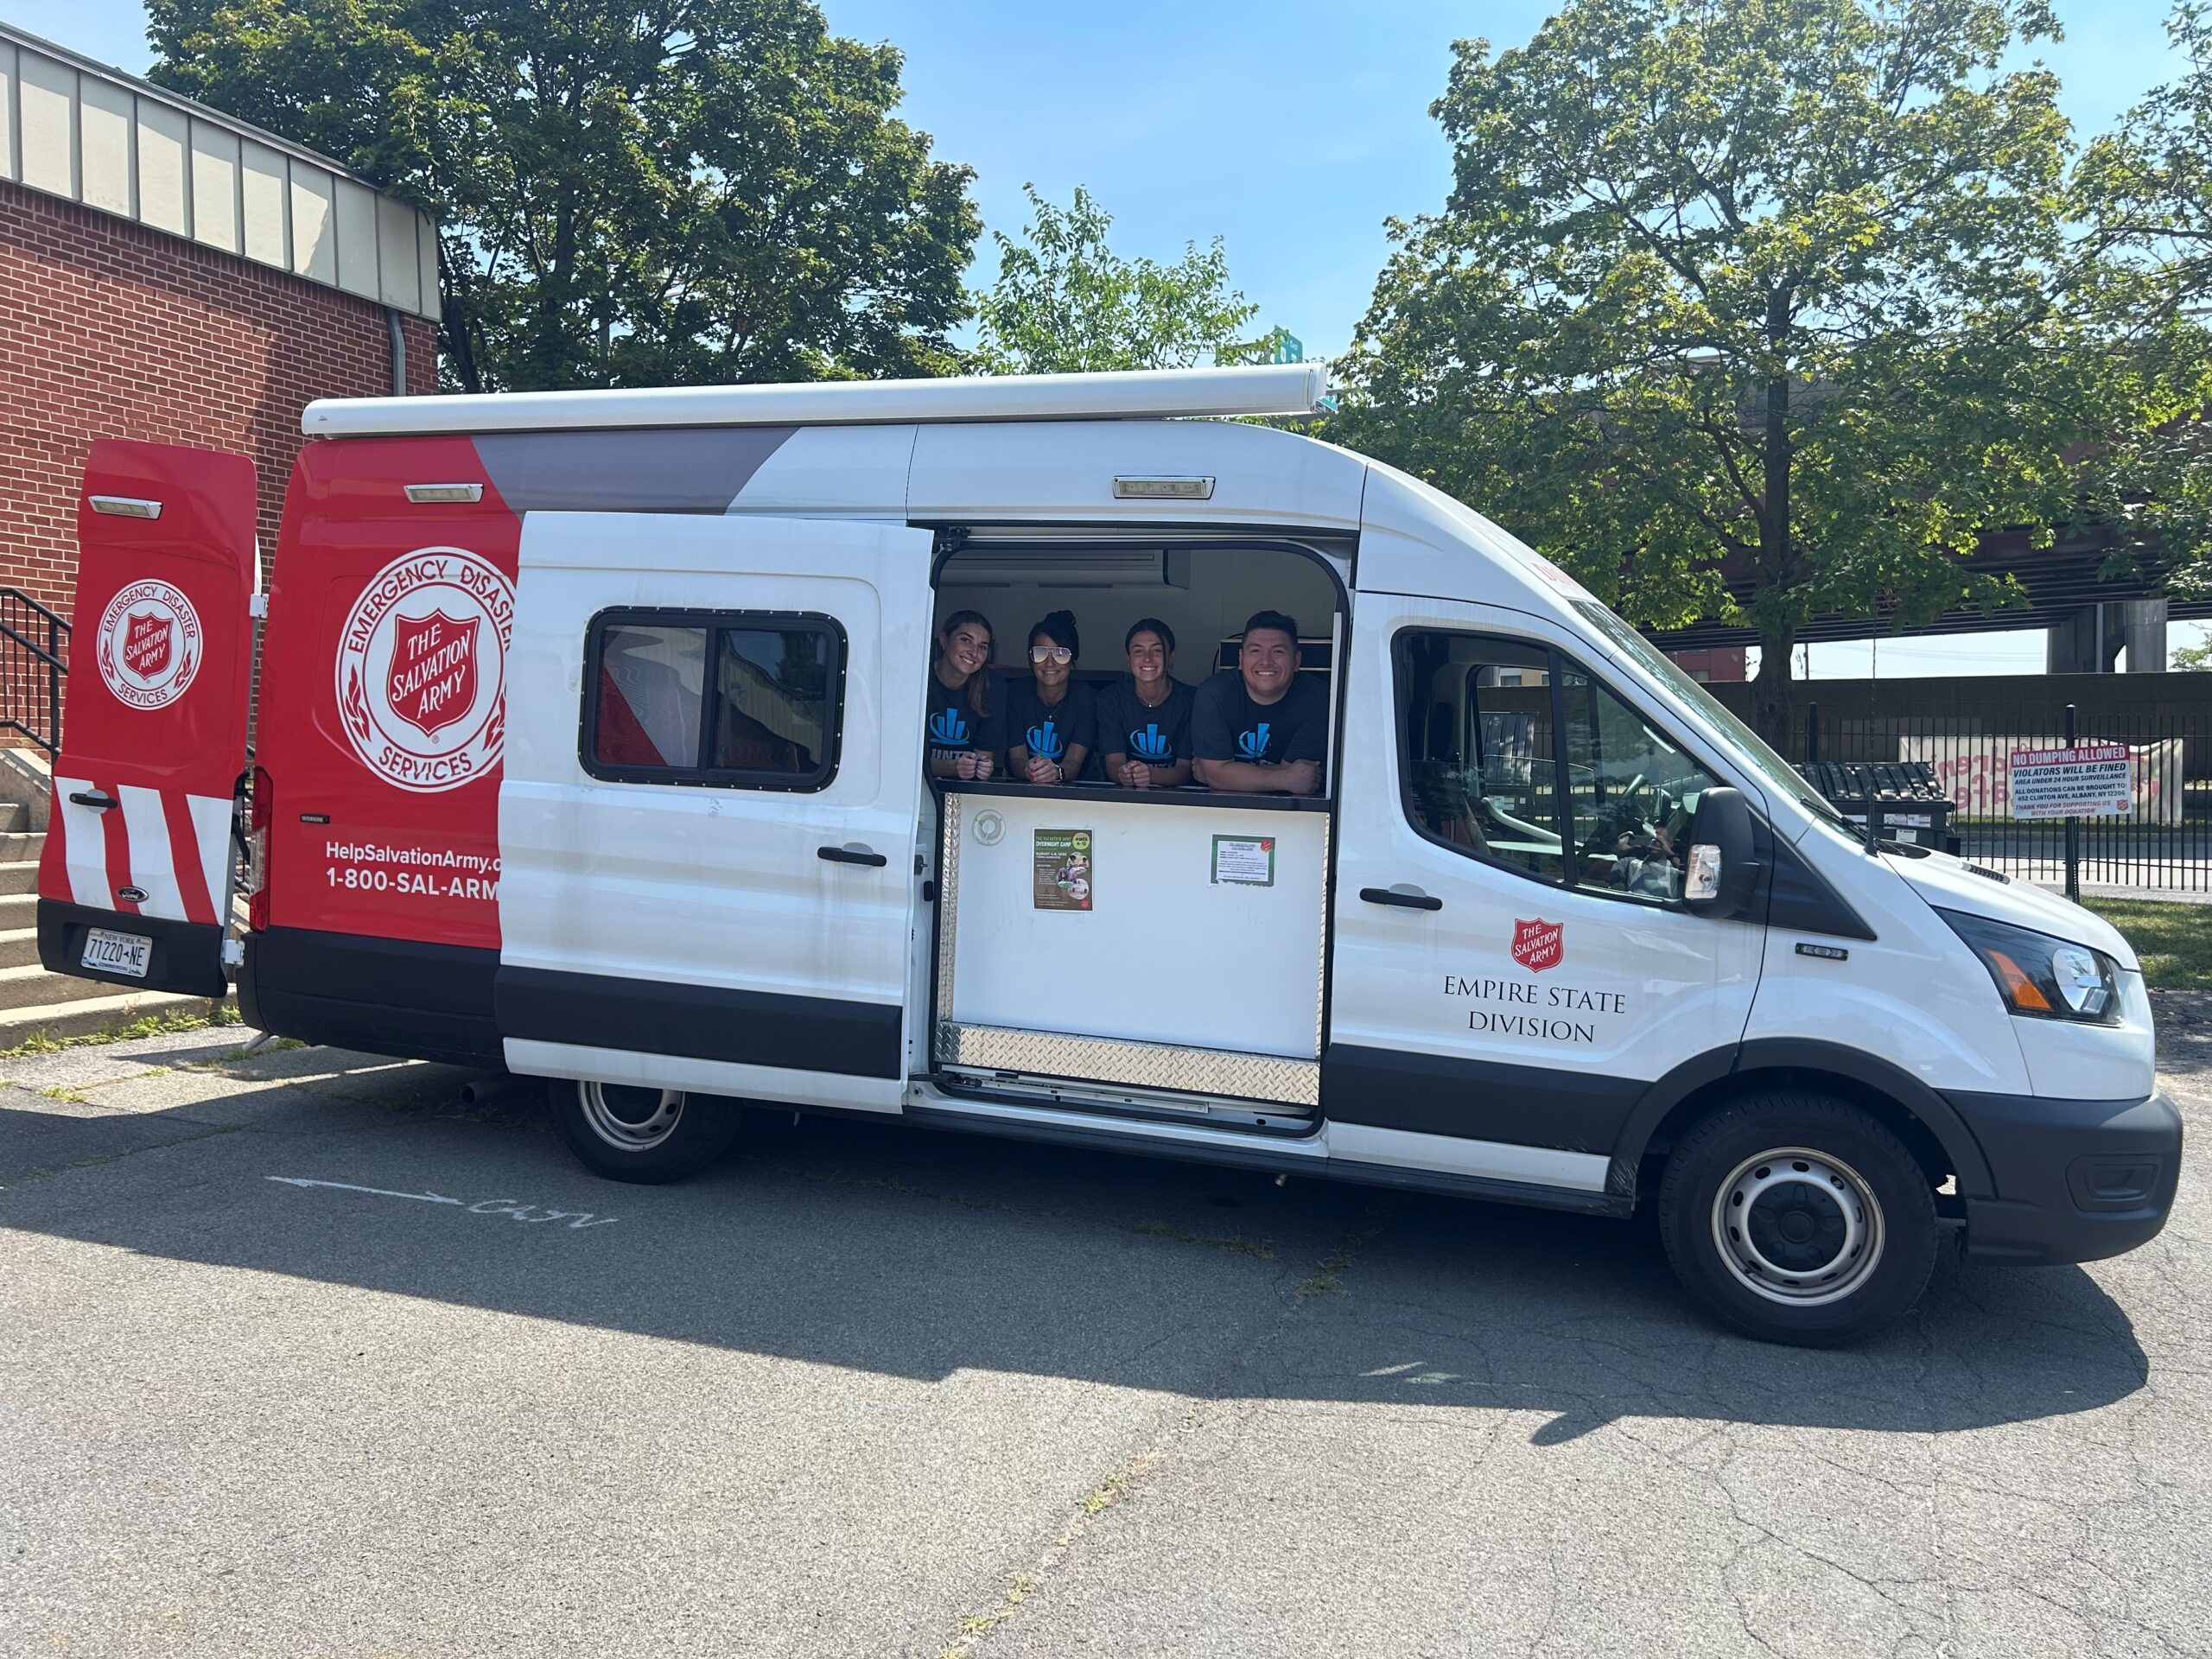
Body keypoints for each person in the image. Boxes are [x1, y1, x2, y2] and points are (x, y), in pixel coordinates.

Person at [1192, 610, 1327, 796]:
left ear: (1297, 661)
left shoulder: (1318, 698)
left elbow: (1303, 776)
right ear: (1240, 659)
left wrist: (1226, 773)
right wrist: (1284, 777)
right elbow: (1217, 776)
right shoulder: (1214, 693)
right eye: (1255, 651)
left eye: (1278, 651)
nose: (1265, 661)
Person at [1096, 618, 1197, 789]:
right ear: (1128, 659)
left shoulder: (1192, 699)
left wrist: (1149, 774)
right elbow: (1114, 763)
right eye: (1138, 651)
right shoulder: (1111, 698)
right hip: (1124, 799)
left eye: (1157, 651)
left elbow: (1184, 770)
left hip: (1177, 801)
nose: (1147, 659)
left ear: (1171, 656)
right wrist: (1124, 774)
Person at [1006, 610, 1098, 786]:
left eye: (1060, 654)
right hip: (1022, 792)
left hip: (1075, 795)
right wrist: (1027, 769)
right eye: (1041, 653)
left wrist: (1056, 772)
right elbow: (1016, 758)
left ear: (1073, 659)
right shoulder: (1016, 693)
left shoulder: (1086, 698)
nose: (1049, 663)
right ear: (1031, 658)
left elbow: (1074, 763)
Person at [925, 610, 1003, 781]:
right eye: (965, 640)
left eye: (982, 647)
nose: (973, 652)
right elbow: (903, 758)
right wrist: (951, 767)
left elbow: (984, 754)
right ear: (944, 641)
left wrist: (983, 767)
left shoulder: (992, 688)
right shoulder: (920, 678)